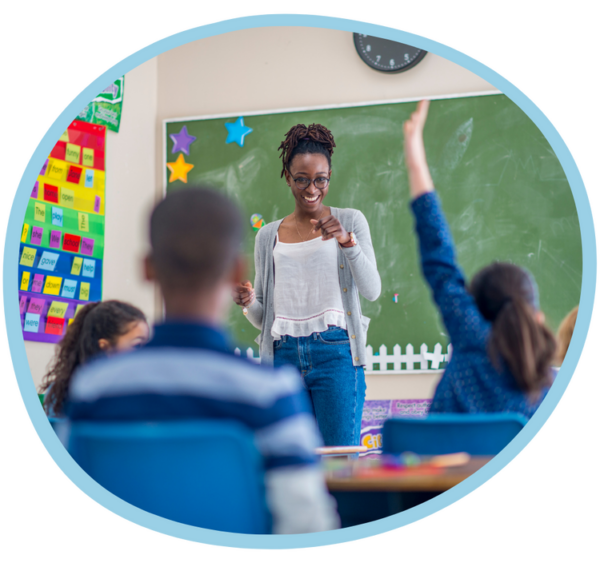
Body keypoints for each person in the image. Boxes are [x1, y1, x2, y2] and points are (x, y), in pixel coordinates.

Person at [65, 187, 339, 534]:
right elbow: (307, 527)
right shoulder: (269, 393)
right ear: (235, 270)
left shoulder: (94, 388)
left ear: (148, 268)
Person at [403, 100, 556, 418]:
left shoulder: (468, 329)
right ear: (535, 315)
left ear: (473, 302)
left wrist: (414, 153)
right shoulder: (548, 386)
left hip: (445, 467)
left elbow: (438, 253)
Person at [233, 123, 381, 447]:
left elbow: (372, 290)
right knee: (292, 463)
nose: (311, 188)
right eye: (301, 179)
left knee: (341, 464)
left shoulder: (351, 221)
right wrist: (247, 302)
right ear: (287, 176)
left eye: (320, 179)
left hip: (336, 355)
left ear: (329, 176)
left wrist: (347, 242)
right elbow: (265, 319)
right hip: (282, 357)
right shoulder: (267, 236)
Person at [40, 300, 148, 417]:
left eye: (149, 344)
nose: (147, 352)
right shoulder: (70, 392)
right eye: (137, 345)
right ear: (106, 347)